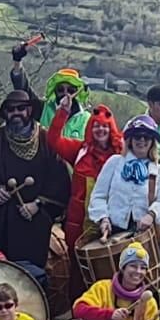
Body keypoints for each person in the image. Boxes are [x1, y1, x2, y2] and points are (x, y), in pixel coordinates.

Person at [0, 88, 71, 271]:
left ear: (30, 111)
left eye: (20, 108)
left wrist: (38, 204)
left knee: (30, 273)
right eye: (10, 109)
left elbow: (59, 180)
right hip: (3, 220)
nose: (15, 113)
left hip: (35, 220)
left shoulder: (46, 139)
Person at [48, 99, 122, 243]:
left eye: (105, 126)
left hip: (114, 224)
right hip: (79, 225)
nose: (100, 129)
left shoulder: (122, 153)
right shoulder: (79, 150)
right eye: (96, 126)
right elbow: (53, 140)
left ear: (111, 128)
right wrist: (63, 112)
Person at [88, 115, 160, 241]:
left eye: (147, 137)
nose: (142, 140)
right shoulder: (114, 162)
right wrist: (103, 218)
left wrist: (152, 214)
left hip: (143, 236)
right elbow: (98, 196)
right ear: (130, 140)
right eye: (137, 136)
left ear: (152, 141)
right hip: (112, 233)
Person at [71, 242, 160, 320]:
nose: (138, 271)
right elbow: (78, 310)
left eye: (143, 268)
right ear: (122, 268)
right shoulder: (102, 287)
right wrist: (109, 314)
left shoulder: (149, 301)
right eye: (133, 266)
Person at [12, 40, 90, 144]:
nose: (65, 93)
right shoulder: (43, 109)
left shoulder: (87, 119)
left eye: (70, 90)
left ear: (77, 92)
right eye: (60, 89)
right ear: (55, 91)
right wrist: (17, 61)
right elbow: (23, 90)